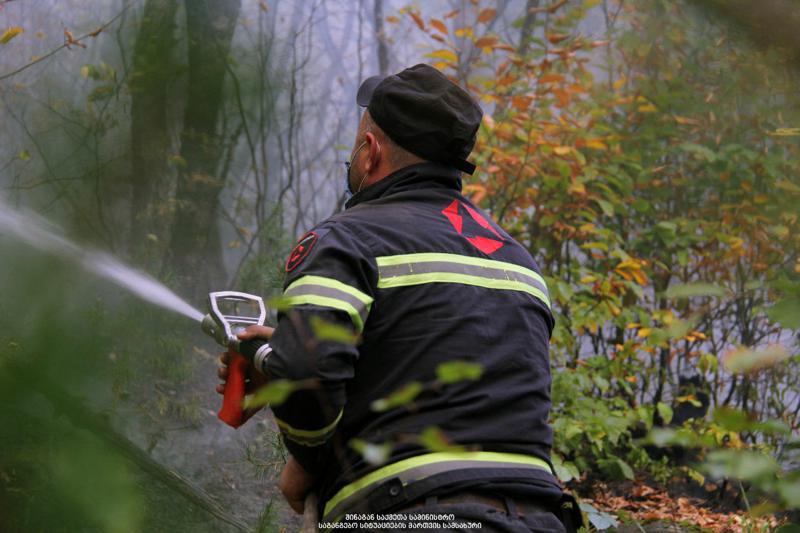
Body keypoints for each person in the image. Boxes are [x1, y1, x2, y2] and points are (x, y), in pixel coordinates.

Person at [217, 63, 581, 532]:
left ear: (369, 152)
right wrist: (281, 355)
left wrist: (306, 457)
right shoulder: (517, 260)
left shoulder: (346, 240)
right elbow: (441, 370)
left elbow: (309, 375)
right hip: (539, 518)